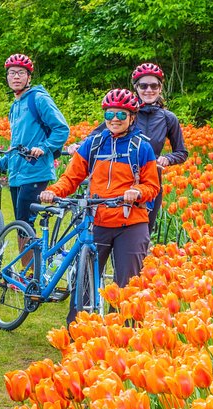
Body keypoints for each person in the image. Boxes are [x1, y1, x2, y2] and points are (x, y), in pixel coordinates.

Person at [40, 89, 160, 325]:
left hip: (131, 222)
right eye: (109, 113)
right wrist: (53, 192)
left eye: (121, 115)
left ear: (132, 117)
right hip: (98, 219)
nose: (114, 119)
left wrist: (137, 192)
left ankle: (125, 334)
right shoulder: (94, 144)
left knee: (127, 283)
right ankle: (77, 332)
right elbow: (71, 177)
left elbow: (152, 186)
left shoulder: (141, 147)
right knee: (83, 280)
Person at [68, 63, 187, 234]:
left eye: (154, 85)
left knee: (143, 233)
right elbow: (98, 135)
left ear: (160, 88)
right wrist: (79, 146)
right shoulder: (124, 112)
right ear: (136, 87)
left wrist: (167, 159)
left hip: (148, 183)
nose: (149, 90)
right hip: (118, 182)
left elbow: (181, 152)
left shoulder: (168, 118)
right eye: (143, 85)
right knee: (108, 233)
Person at [0, 54, 69, 230]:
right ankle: (30, 258)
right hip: (17, 173)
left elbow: (62, 129)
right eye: (12, 73)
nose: (16, 77)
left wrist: (44, 147)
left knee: (24, 225)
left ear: (29, 77)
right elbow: (18, 143)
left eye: (21, 73)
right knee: (20, 225)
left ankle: (32, 258)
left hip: (35, 171)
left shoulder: (38, 99)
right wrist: (0, 163)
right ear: (7, 77)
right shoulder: (15, 106)